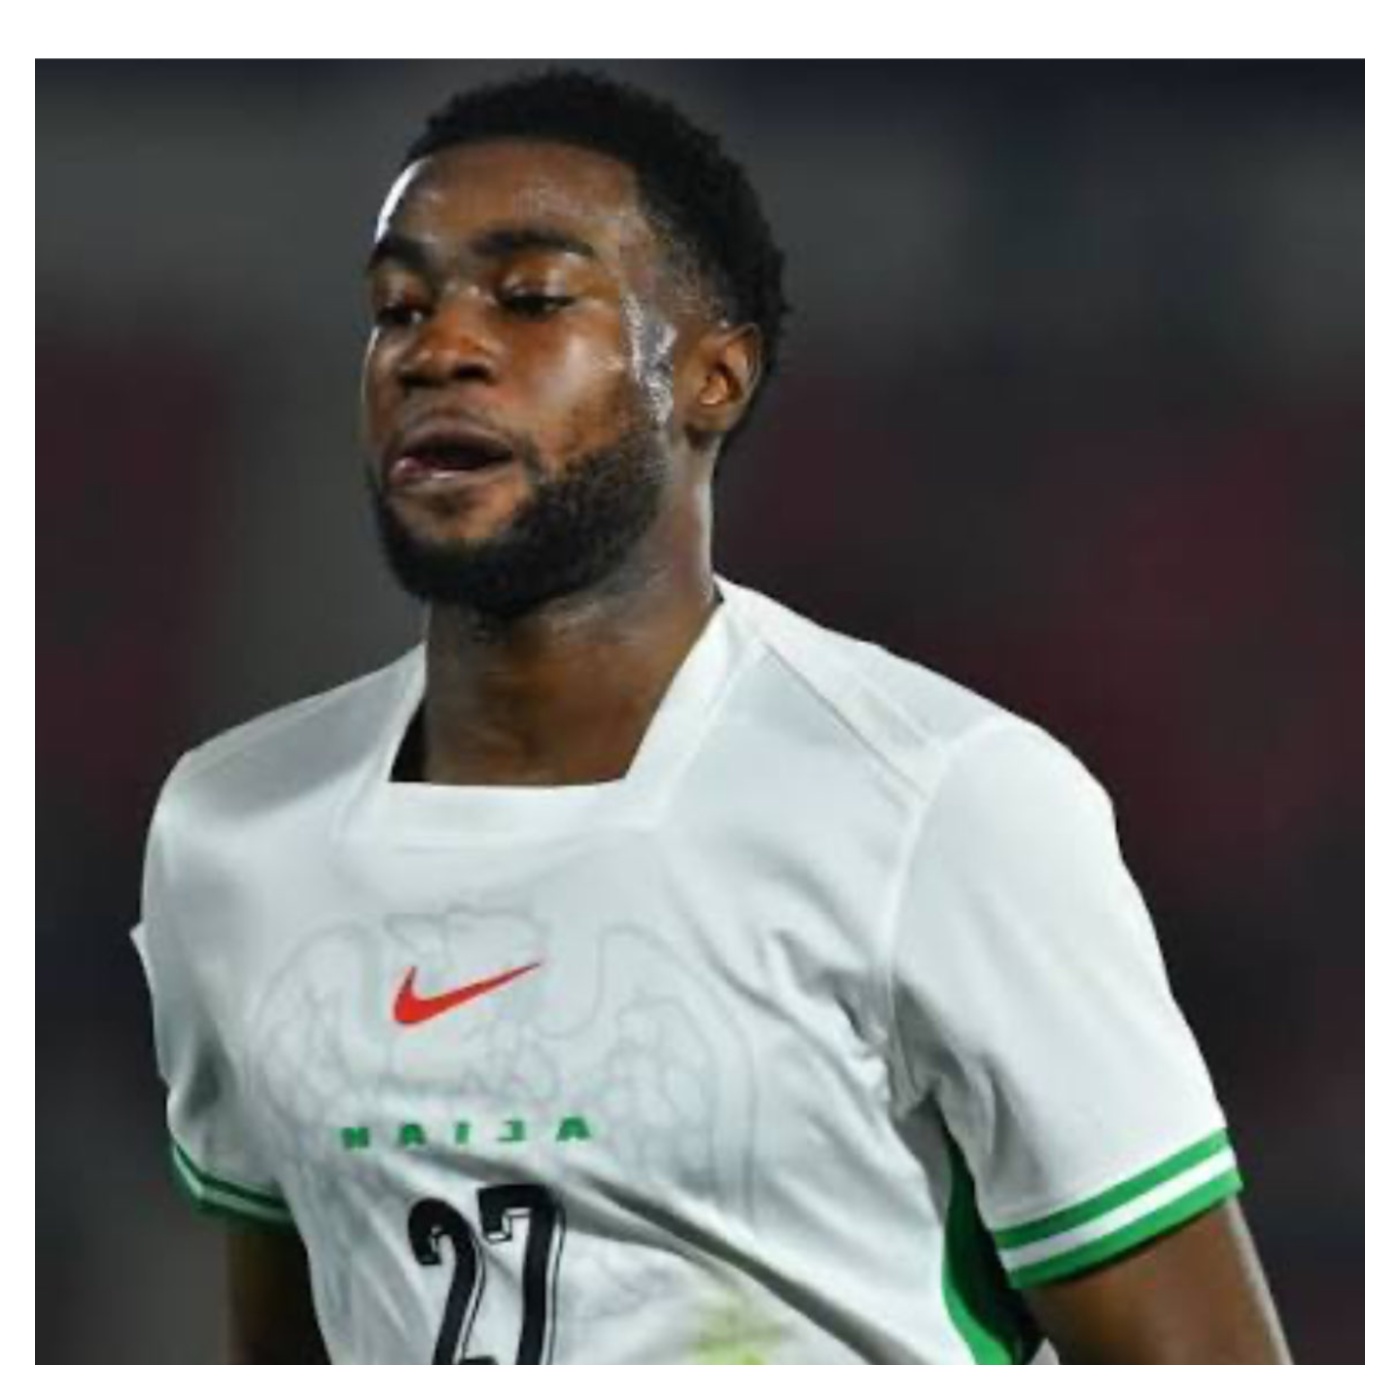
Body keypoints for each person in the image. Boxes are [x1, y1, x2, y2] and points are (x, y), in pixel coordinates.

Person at [131, 66, 1291, 1365]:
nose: (437, 348)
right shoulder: (231, 833)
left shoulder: (944, 805)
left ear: (712, 378)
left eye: (531, 297)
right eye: (397, 308)